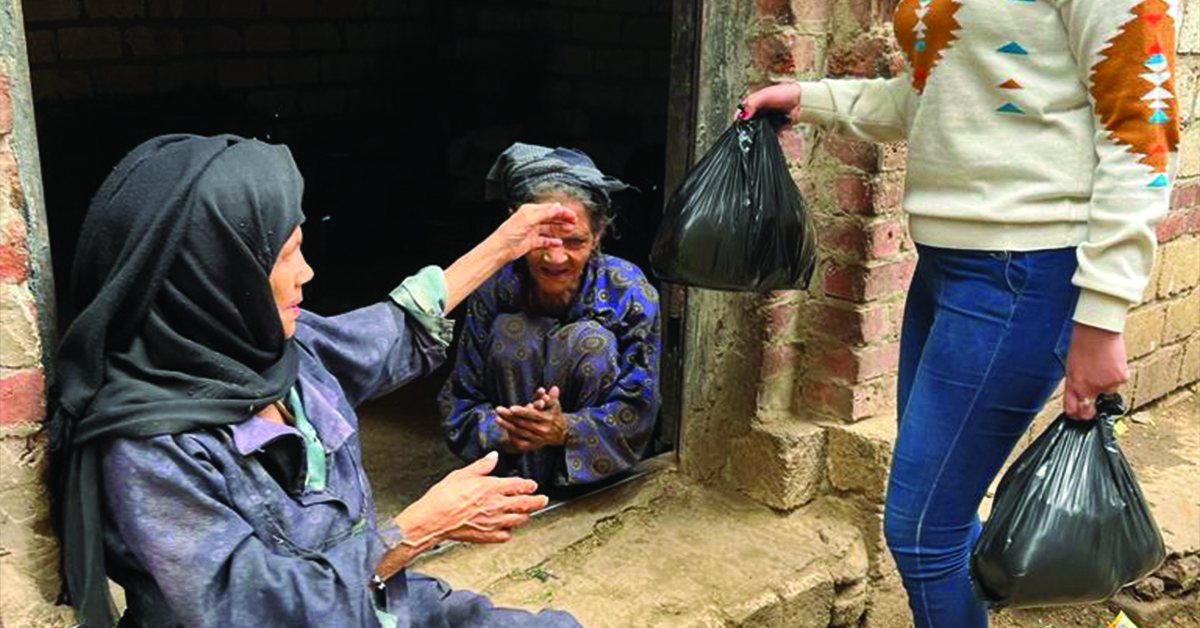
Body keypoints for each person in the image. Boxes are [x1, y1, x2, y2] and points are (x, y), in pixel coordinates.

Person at [741, 0, 1179, 626]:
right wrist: (807, 97)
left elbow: (1143, 132)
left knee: (921, 529)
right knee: (943, 515)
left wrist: (1103, 314)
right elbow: (932, 101)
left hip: (1026, 272)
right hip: (947, 266)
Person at [45, 134, 585, 628]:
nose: (307, 272)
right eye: (285, 256)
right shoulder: (149, 446)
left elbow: (394, 329)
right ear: (216, 275)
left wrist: (506, 243)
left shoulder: (277, 352)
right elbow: (246, 609)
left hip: (373, 603)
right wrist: (415, 532)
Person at [439, 143, 661, 488]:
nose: (555, 259)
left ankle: (572, 483)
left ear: (598, 235)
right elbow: (462, 396)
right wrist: (508, 430)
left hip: (589, 469)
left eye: (574, 242)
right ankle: (519, 478)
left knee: (590, 341)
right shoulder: (495, 285)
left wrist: (567, 429)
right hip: (509, 461)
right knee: (513, 332)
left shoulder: (630, 290)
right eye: (542, 239)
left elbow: (639, 406)